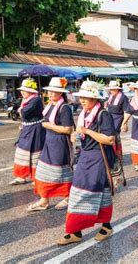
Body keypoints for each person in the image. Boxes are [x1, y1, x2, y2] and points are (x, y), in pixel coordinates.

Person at [58, 80, 116, 245]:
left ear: (95, 99)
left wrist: (86, 131)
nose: (82, 100)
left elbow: (109, 139)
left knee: (89, 191)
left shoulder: (103, 114)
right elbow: (79, 132)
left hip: (98, 158)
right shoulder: (84, 113)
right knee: (84, 191)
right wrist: (76, 135)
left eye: (86, 97)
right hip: (86, 156)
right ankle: (79, 230)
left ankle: (93, 227)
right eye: (81, 97)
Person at [31, 77, 74, 211]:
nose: (50, 93)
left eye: (54, 91)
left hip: (60, 143)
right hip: (49, 141)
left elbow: (68, 129)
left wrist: (49, 126)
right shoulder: (50, 105)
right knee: (43, 171)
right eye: (49, 91)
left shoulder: (64, 108)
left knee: (59, 171)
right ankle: (44, 199)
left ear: (61, 93)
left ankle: (68, 196)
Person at [10, 78, 46, 186]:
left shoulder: (36, 100)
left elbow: (24, 113)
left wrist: (20, 109)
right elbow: (18, 114)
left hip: (36, 129)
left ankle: (37, 178)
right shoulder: (27, 100)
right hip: (27, 128)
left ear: (31, 91)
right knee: (22, 152)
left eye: (24, 90)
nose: (22, 92)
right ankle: (21, 176)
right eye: (22, 90)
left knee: (35, 153)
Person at [105, 80, 129, 158]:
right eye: (111, 89)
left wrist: (125, 123)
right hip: (110, 117)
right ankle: (112, 152)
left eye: (113, 89)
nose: (111, 91)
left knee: (115, 134)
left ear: (117, 89)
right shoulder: (111, 96)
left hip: (118, 118)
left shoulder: (123, 97)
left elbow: (126, 111)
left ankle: (118, 153)